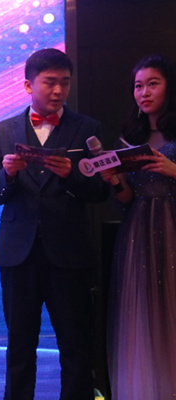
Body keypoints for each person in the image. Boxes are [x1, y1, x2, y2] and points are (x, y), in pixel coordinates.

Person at [0, 48, 109, 400]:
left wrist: (72, 177)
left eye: (65, 83)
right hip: (17, 254)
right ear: (28, 85)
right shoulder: (4, 130)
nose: (58, 90)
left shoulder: (87, 129)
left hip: (69, 253)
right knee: (19, 347)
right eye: (50, 82)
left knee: (76, 346)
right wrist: (7, 175)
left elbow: (102, 190)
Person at [104, 54, 176, 400]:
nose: (143, 92)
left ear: (169, 87)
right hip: (137, 232)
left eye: (152, 84)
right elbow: (126, 199)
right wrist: (114, 180)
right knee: (143, 314)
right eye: (138, 86)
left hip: (172, 226)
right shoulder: (130, 137)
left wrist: (173, 170)